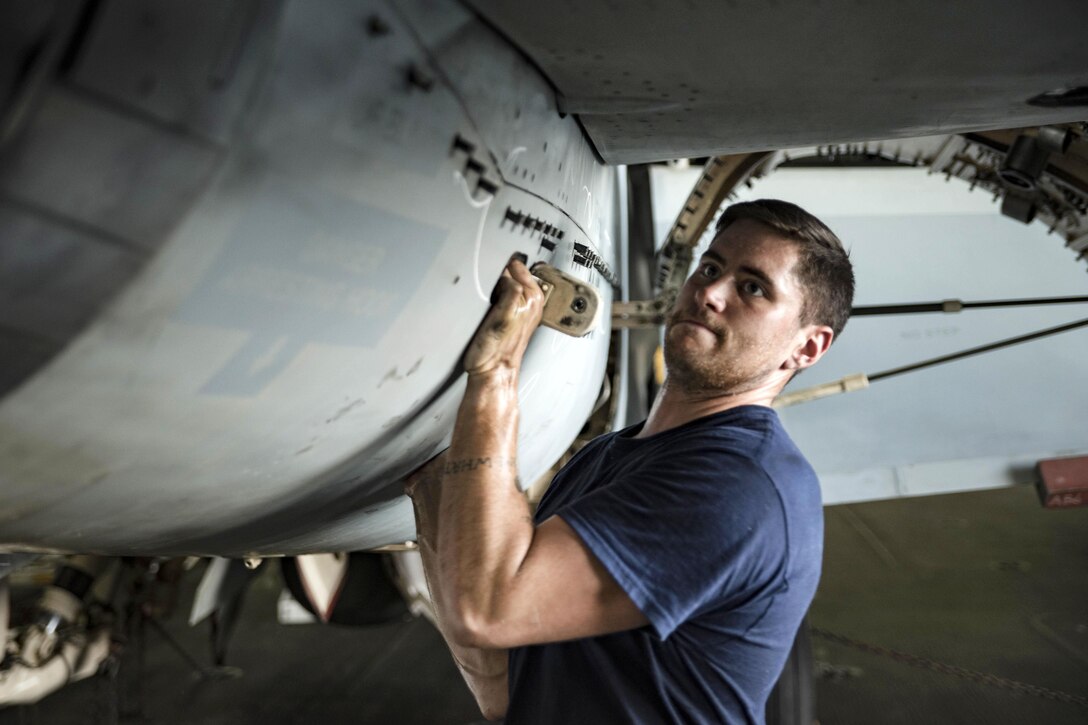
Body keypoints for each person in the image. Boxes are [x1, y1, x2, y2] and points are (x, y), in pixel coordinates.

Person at [405, 199, 855, 723]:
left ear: (806, 348)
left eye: (752, 288)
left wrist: (498, 373)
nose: (709, 292)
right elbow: (501, 680)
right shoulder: (608, 456)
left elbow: (487, 610)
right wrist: (429, 481)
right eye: (710, 268)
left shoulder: (737, 484)